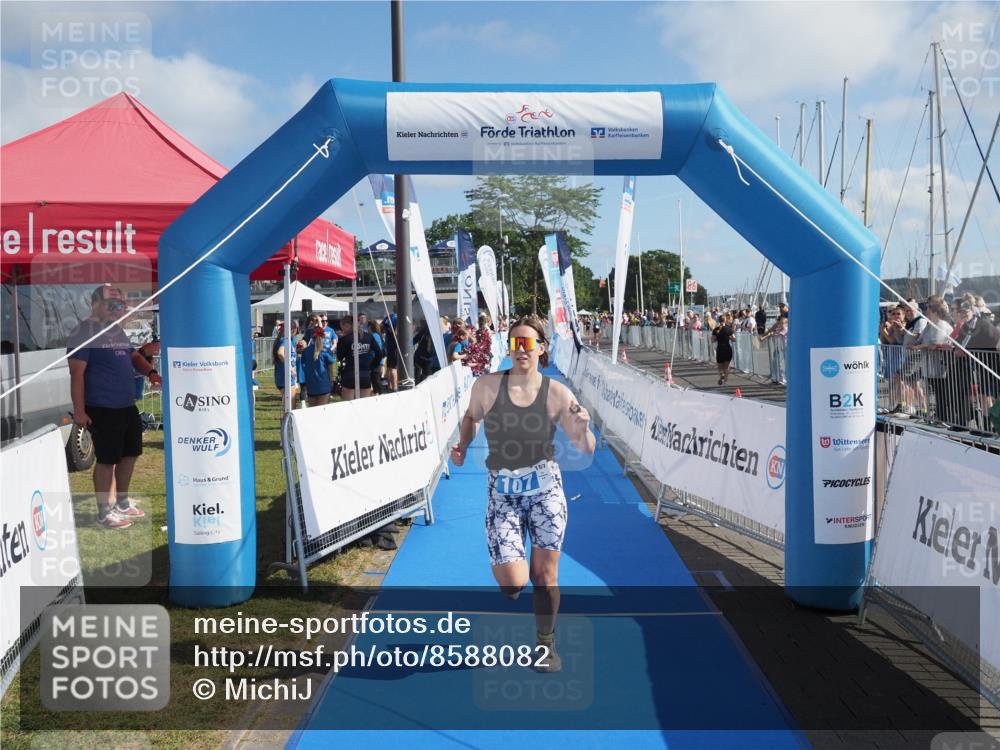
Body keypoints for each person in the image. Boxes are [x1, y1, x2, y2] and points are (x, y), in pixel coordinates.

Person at [449, 316, 596, 673]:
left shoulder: (558, 393)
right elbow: (471, 417)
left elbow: (587, 449)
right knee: (513, 583)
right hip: (502, 492)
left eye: (528, 343)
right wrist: (464, 444)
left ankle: (546, 645)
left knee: (545, 577)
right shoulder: (486, 386)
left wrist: (583, 430)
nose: (521, 350)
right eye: (515, 343)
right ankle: (514, 579)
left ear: (541, 348)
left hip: (545, 490)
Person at [68, 284, 159, 529]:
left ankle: (122, 502)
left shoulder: (116, 330)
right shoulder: (83, 332)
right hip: (102, 406)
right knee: (107, 459)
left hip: (126, 404)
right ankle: (104, 512)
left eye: (120, 304)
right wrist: (79, 411)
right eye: (112, 303)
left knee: (131, 453)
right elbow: (76, 374)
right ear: (95, 303)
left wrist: (151, 372)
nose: (118, 308)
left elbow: (132, 357)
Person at [336, 315, 382, 399]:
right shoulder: (368, 336)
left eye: (343, 327)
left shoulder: (345, 339)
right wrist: (372, 366)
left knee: (348, 405)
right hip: (365, 374)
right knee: (363, 406)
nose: (342, 330)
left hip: (350, 374)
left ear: (347, 325)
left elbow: (339, 357)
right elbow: (379, 353)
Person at [301, 325, 336, 406]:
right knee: (322, 413)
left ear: (312, 338)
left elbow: (303, 367)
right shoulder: (326, 351)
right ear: (323, 337)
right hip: (323, 385)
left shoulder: (306, 351)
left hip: (311, 385)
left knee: (313, 414)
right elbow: (330, 369)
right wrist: (331, 381)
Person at [273, 320, 300, 412]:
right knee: (290, 407)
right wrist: (290, 368)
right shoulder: (284, 341)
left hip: (284, 377)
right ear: (293, 329)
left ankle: (286, 425)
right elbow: (280, 353)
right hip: (286, 377)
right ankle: (287, 425)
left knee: (288, 406)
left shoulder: (285, 340)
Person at [712, 313, 735, 385]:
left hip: (720, 349)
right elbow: (734, 339)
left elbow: (712, 340)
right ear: (725, 320)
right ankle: (725, 381)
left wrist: (718, 338)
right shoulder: (729, 329)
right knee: (727, 366)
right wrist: (730, 337)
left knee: (720, 366)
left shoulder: (715, 330)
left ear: (719, 321)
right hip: (727, 349)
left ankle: (722, 374)